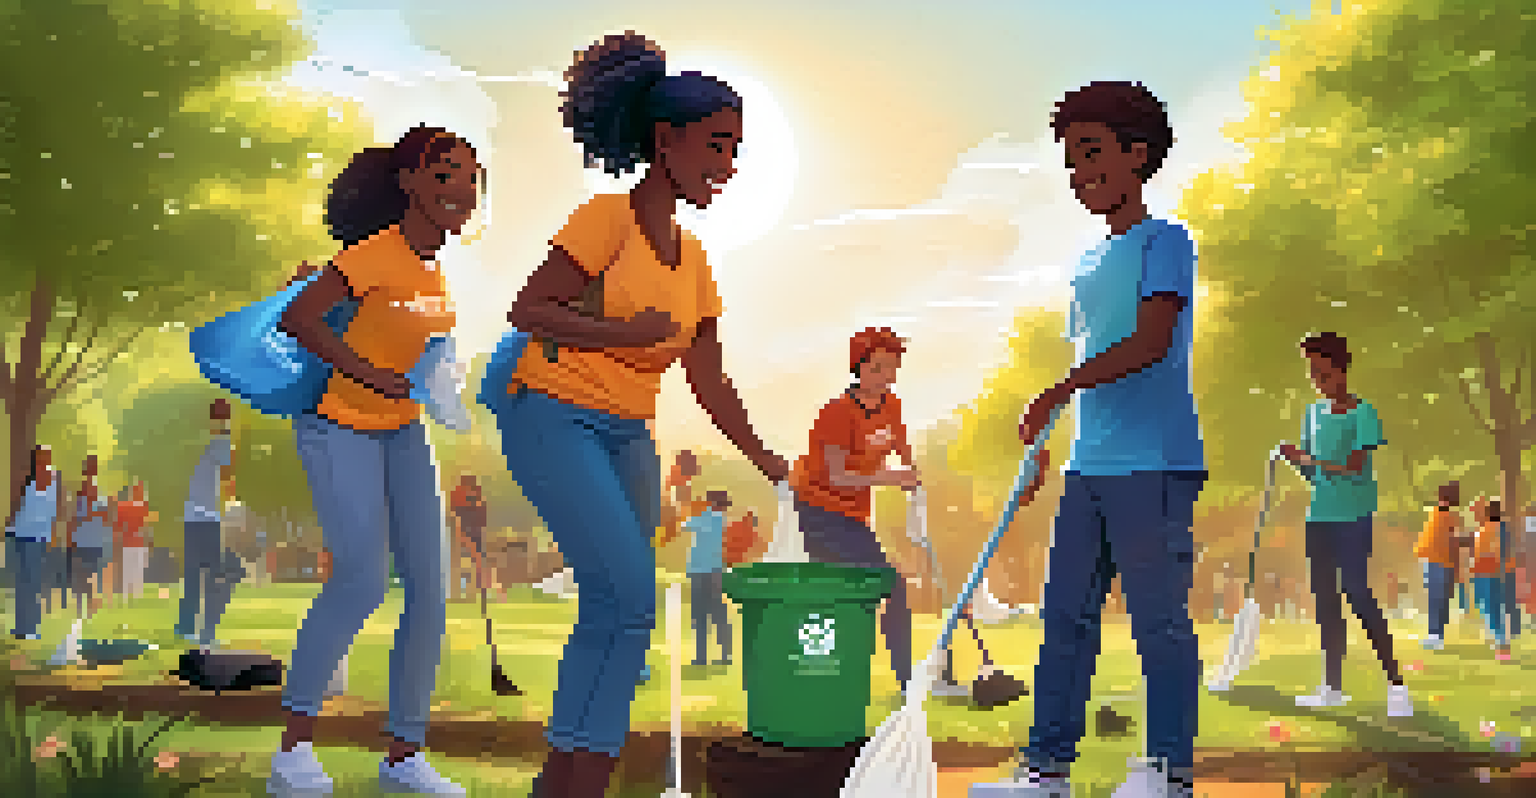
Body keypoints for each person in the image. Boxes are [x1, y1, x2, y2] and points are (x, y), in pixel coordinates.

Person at [495, 32, 788, 797]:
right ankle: (586, 778)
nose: (727, 166)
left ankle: (565, 775)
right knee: (625, 594)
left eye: (737, 151)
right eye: (717, 145)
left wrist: (766, 460)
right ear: (666, 139)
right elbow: (530, 308)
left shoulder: (694, 263)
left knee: (616, 610)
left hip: (628, 434)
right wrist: (621, 335)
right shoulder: (606, 220)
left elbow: (711, 381)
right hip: (553, 415)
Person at [266, 125, 483, 798]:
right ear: (410, 182)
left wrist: (438, 383)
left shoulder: (433, 271)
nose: (462, 189)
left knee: (429, 589)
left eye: (473, 178)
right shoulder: (372, 255)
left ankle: (403, 757)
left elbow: (423, 353)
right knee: (360, 580)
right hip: (338, 426)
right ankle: (292, 752)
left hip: (402, 433)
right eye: (446, 173)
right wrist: (367, 373)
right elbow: (298, 319)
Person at [1005, 81, 1203, 798]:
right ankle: (1046, 769)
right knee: (1065, 621)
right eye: (1070, 158)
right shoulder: (1087, 263)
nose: (1078, 172)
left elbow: (1151, 340)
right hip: (1089, 467)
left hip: (1154, 464)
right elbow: (1090, 356)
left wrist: (1059, 390)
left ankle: (1168, 772)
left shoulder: (1166, 241)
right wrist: (1046, 438)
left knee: (1159, 625)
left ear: (1137, 154)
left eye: (1092, 153)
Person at [1277, 332, 1411, 715]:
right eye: (1312, 372)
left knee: (1356, 592)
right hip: (1318, 517)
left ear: (1341, 368)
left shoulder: (1362, 413)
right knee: (1325, 600)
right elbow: (1314, 476)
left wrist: (1309, 460)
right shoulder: (1311, 414)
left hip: (1353, 516)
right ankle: (1331, 687)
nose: (1317, 380)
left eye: (1323, 371)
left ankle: (1396, 685)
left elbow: (1354, 467)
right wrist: (1293, 460)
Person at [791, 327, 922, 694]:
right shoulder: (836, 414)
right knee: (873, 587)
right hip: (818, 510)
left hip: (853, 516)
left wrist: (912, 472)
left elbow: (899, 441)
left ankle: (896, 679)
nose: (886, 376)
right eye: (878, 368)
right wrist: (893, 477)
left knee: (863, 592)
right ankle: (896, 679)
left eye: (893, 367)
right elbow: (838, 477)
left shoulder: (891, 404)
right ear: (858, 367)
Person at [176, 400, 235, 645]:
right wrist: (227, 429)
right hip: (208, 517)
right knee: (213, 576)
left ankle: (187, 627)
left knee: (192, 574)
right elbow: (227, 464)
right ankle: (206, 634)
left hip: (191, 515)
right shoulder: (218, 439)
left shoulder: (196, 440)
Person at [7, 445, 66, 639]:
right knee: (22, 582)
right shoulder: (27, 478)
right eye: (39, 457)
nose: (42, 460)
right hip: (20, 533)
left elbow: (59, 508)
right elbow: (18, 505)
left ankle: (31, 628)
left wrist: (55, 534)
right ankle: (20, 627)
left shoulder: (56, 479)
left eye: (46, 456)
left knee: (33, 582)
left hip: (39, 536)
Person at [685, 490, 733, 667]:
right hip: (715, 571)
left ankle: (701, 656)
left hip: (700, 570)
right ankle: (725, 654)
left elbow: (684, 525)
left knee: (699, 614)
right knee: (718, 613)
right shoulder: (723, 521)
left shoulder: (704, 518)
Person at [1416, 481, 1464, 649]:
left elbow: (1452, 541)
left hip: (1439, 562)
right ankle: (1437, 635)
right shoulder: (1443, 514)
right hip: (1439, 561)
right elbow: (1452, 541)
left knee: (1436, 598)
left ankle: (1435, 635)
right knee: (1440, 598)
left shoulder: (1442, 514)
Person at [1469, 497, 1512, 658]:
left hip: (1488, 572)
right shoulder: (1498, 528)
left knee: (1491, 607)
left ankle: (1500, 641)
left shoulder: (1489, 529)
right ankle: (1499, 639)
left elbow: (1484, 552)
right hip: (1491, 572)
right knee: (1493, 607)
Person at [70, 456, 113, 618]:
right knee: (83, 574)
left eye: (92, 468)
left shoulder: (98, 493)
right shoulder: (80, 493)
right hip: (82, 539)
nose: (90, 472)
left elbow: (105, 516)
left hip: (94, 539)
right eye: (89, 468)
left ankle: (89, 605)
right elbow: (75, 516)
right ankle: (83, 606)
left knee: (91, 574)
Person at [450, 475, 489, 601]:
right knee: (463, 563)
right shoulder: (462, 495)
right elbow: (456, 513)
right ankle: (466, 591)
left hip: (472, 533)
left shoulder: (472, 497)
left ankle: (476, 591)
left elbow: (482, 516)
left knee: (476, 563)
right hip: (466, 532)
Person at [114, 481, 152, 604]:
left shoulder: (124, 506)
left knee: (130, 572)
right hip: (135, 543)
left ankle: (128, 597)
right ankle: (133, 597)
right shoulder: (141, 507)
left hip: (129, 543)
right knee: (135, 572)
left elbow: (117, 526)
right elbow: (146, 527)